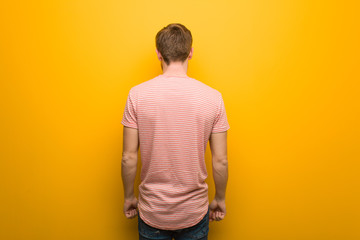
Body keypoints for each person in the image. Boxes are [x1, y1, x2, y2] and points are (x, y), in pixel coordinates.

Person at [121, 23, 230, 240]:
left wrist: (128, 197)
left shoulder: (137, 95)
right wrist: (220, 198)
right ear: (190, 53)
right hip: (194, 211)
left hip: (152, 210)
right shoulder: (213, 98)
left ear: (158, 54)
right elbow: (221, 161)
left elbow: (128, 157)